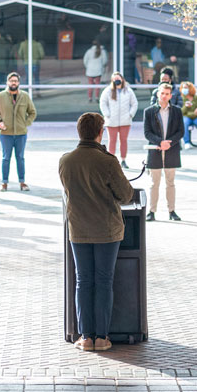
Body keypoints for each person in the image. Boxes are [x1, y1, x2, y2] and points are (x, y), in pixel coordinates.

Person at [59, 112, 135, 353]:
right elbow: (126, 195)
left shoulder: (66, 160)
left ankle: (85, 336)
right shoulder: (108, 161)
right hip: (107, 230)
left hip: (78, 229)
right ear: (100, 132)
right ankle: (102, 337)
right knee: (103, 281)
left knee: (83, 281)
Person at [0, 72, 37, 192]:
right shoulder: (0, 96)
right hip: (6, 134)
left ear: (19, 83)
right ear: (7, 82)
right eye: (11, 81)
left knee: (20, 158)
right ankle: (4, 183)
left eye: (15, 81)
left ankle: (22, 182)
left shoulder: (25, 96)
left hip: (21, 134)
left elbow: (32, 112)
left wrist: (26, 123)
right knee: (6, 158)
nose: (13, 83)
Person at [143, 83, 183, 222]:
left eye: (167, 94)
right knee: (154, 183)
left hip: (171, 150)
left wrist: (168, 143)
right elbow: (147, 133)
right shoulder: (149, 111)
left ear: (171, 96)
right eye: (162, 93)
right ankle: (151, 211)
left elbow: (180, 131)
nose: (164, 96)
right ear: (158, 94)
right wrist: (160, 142)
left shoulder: (177, 111)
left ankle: (172, 211)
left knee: (170, 183)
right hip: (155, 150)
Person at [99, 72, 139, 168]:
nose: (117, 80)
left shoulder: (128, 90)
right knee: (112, 140)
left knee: (123, 140)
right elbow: (102, 103)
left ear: (122, 79)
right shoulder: (108, 91)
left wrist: (130, 114)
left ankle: (123, 160)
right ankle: (111, 160)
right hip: (111, 121)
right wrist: (107, 114)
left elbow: (134, 103)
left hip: (125, 120)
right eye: (115, 78)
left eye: (118, 78)